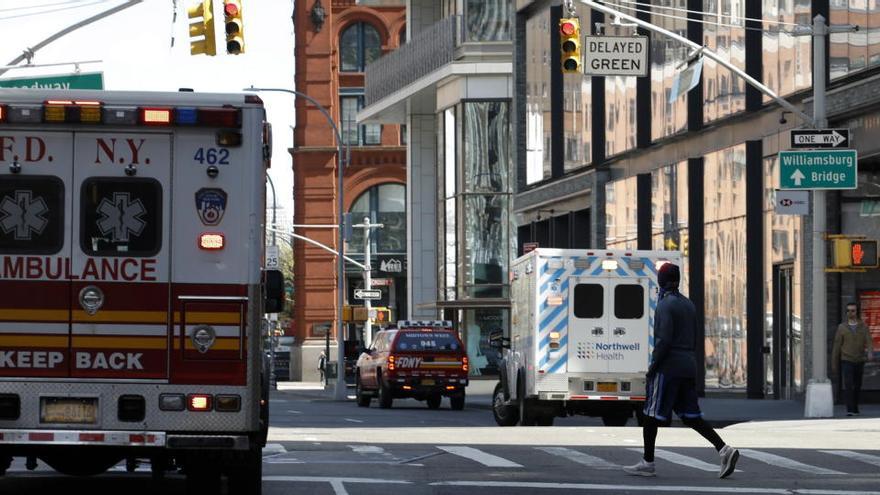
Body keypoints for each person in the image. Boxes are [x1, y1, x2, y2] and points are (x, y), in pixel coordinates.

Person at [623, 262, 740, 479]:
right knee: (691, 416)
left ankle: (648, 463)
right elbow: (695, 337)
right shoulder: (688, 304)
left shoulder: (665, 305)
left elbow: (664, 340)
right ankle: (724, 450)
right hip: (688, 365)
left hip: (669, 367)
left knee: (650, 414)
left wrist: (653, 367)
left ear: (661, 280)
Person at [831, 302, 871, 416]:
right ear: (846, 313)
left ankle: (855, 407)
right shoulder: (842, 327)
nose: (850, 313)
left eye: (853, 310)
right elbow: (837, 345)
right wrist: (834, 363)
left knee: (857, 385)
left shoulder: (863, 326)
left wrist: (870, 352)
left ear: (857, 312)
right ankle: (850, 409)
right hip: (846, 360)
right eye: (848, 311)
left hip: (859, 359)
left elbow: (868, 340)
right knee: (848, 384)